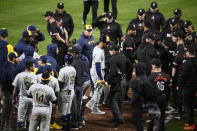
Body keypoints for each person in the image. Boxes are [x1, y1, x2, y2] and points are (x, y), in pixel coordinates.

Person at [86, 35, 110, 114]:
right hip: (97, 72)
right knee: (98, 90)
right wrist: (101, 77)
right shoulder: (99, 52)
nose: (107, 44)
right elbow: (97, 65)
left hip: (96, 71)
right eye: (106, 43)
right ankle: (92, 105)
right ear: (102, 42)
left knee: (98, 89)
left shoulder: (97, 47)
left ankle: (94, 107)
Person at [12, 61, 37, 130]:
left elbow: (15, 89)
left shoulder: (19, 75)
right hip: (32, 100)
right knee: (30, 118)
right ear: (30, 67)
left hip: (22, 99)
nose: (35, 67)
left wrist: (14, 98)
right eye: (34, 66)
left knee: (20, 119)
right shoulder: (35, 77)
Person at [147, 59, 170, 131]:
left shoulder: (151, 77)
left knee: (151, 116)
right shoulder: (167, 76)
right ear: (161, 65)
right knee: (161, 117)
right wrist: (167, 100)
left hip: (154, 99)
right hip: (163, 97)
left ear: (154, 65)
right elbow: (168, 90)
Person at [36, 65, 61, 130]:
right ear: (51, 71)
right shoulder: (55, 80)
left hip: (39, 99)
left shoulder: (37, 77)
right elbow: (57, 92)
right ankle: (51, 124)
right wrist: (56, 103)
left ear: (44, 70)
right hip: (50, 100)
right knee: (51, 113)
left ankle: (38, 125)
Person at [108, 45, 126, 128]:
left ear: (114, 50)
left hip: (116, 82)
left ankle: (119, 119)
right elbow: (129, 64)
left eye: (110, 50)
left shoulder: (113, 59)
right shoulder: (123, 56)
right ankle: (117, 118)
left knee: (113, 100)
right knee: (120, 100)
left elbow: (111, 73)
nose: (109, 52)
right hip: (123, 80)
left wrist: (108, 82)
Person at [179, 45, 197, 130]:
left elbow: (183, 76)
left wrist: (179, 85)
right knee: (191, 104)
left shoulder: (187, 63)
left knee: (187, 105)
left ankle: (191, 124)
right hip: (194, 87)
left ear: (189, 53)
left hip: (187, 87)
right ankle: (189, 122)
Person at [0, 52, 18, 130]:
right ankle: (6, 127)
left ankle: (3, 125)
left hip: (4, 90)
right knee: (8, 109)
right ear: (13, 58)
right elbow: (12, 82)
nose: (17, 59)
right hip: (9, 91)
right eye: (16, 57)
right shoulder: (12, 68)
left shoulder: (5, 65)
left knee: (5, 108)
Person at [58, 54, 76, 131]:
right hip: (71, 91)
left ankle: (64, 129)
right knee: (68, 110)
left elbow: (60, 83)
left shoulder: (63, 70)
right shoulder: (73, 69)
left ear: (65, 61)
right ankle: (68, 127)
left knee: (63, 112)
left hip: (65, 92)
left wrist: (58, 90)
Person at [70, 46, 85, 129]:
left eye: (72, 53)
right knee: (78, 105)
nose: (71, 54)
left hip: (75, 86)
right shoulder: (83, 62)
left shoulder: (73, 64)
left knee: (74, 106)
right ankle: (79, 122)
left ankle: (75, 123)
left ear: (75, 53)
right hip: (80, 86)